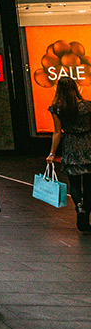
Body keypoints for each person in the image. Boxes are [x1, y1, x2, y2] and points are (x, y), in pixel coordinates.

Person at [48, 74, 91, 232]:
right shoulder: (87, 106)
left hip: (70, 144)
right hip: (87, 143)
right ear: (75, 88)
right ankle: (86, 216)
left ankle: (78, 207)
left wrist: (52, 153)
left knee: (74, 183)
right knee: (88, 184)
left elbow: (57, 132)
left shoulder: (57, 108)